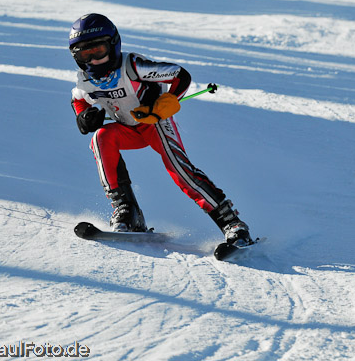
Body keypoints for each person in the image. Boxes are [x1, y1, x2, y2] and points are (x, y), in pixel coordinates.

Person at [68, 13, 254, 247]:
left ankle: (232, 224)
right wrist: (84, 116)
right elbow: (77, 99)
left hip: (155, 125)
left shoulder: (134, 66)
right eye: (85, 55)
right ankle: (126, 211)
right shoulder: (85, 80)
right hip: (127, 130)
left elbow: (180, 75)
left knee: (178, 169)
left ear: (113, 45)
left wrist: (166, 102)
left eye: (99, 51)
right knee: (101, 138)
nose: (94, 61)